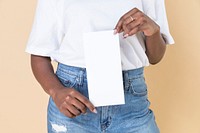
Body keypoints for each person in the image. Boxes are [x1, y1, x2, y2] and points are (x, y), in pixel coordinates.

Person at [26, 0, 174, 132]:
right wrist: (56, 91)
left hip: (131, 103)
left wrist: (153, 31)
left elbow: (155, 57)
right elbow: (39, 55)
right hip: (74, 101)